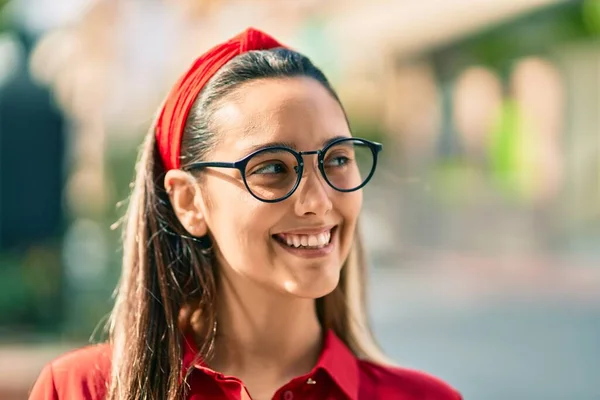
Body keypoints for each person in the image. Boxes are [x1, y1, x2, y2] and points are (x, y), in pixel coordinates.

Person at [29, 28, 462, 400]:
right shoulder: (79, 389)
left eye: (337, 159)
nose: (317, 201)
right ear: (189, 202)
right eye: (273, 168)